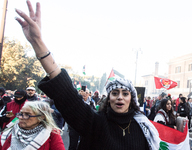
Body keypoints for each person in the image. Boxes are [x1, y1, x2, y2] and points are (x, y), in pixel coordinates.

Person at [15, 1, 160, 149]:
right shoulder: (95, 122)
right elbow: (67, 95)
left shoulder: (144, 128)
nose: (120, 97)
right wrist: (37, 42)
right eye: (115, 93)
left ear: (132, 99)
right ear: (108, 99)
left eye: (125, 93)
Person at [0, 101, 65, 150]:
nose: (20, 117)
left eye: (27, 114)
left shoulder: (52, 133)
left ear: (41, 117)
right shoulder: (9, 131)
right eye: (20, 113)